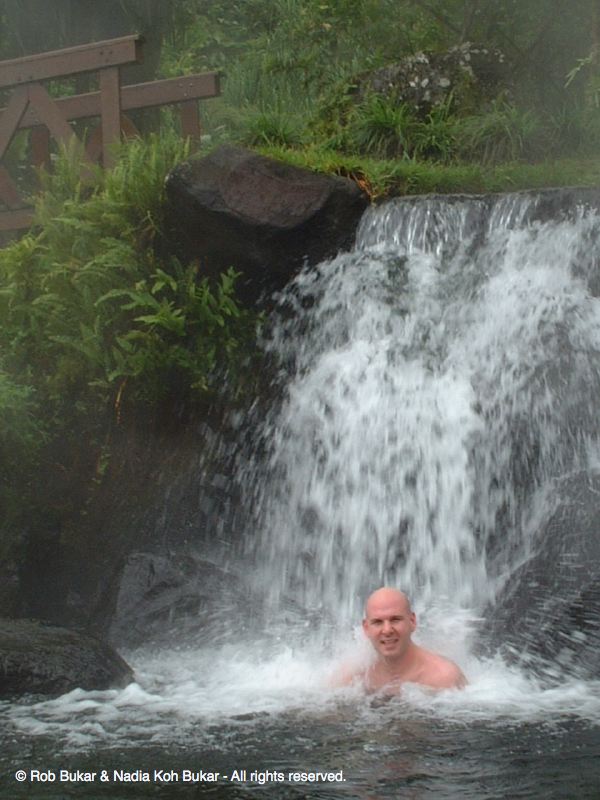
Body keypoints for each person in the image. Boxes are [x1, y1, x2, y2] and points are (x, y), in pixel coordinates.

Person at [334, 587, 467, 692]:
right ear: (366, 628)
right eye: (378, 622)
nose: (387, 630)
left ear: (412, 621)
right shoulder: (354, 676)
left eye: (395, 620)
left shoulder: (443, 678)